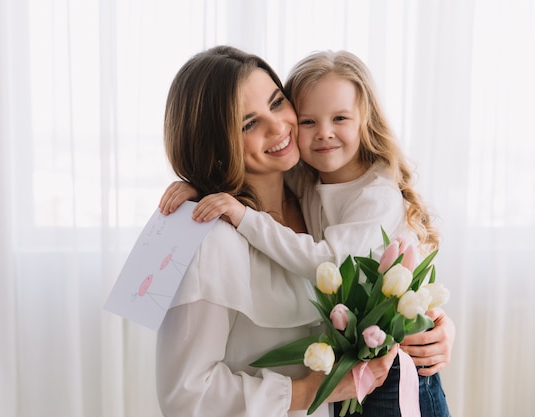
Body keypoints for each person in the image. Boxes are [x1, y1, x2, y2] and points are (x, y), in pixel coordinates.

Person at [160, 50, 455, 417]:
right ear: (214, 146)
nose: (279, 127)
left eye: (277, 103)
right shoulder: (211, 238)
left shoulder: (308, 191)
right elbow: (185, 397)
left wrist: (432, 328)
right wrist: (309, 392)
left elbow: (358, 274)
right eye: (249, 124)